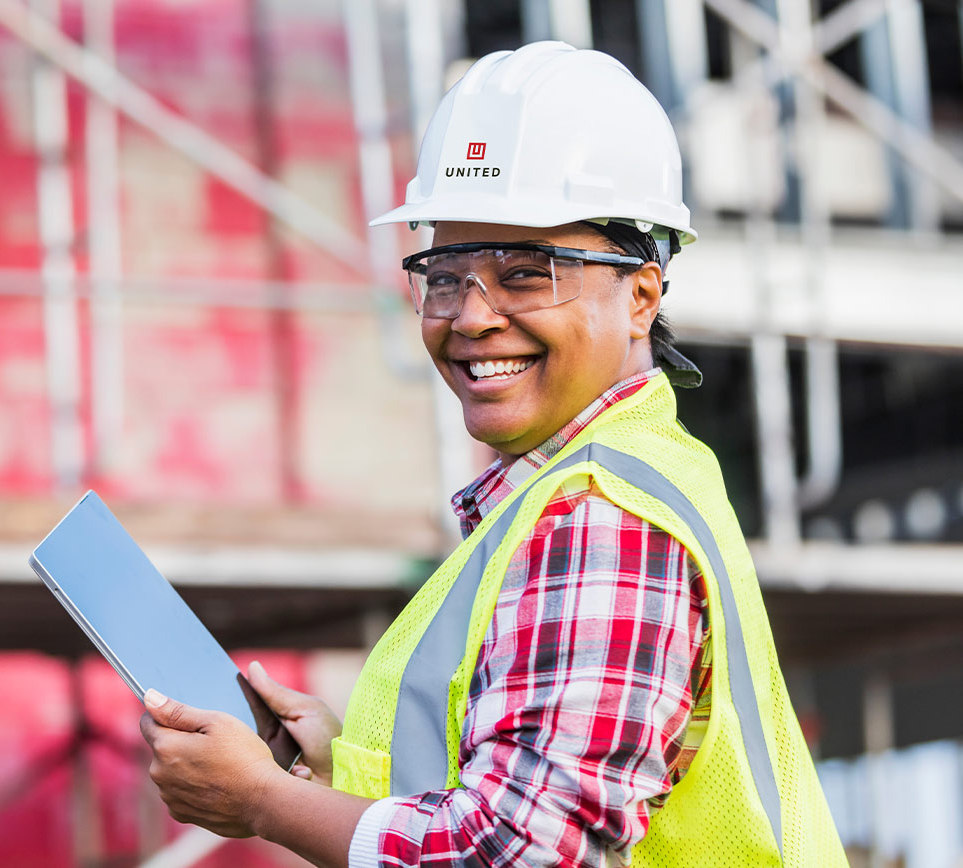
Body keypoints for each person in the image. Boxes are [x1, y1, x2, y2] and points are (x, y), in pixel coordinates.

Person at [140, 42, 848, 867]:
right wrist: (333, 767)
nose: (470, 317)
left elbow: (522, 850)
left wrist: (269, 802)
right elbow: (509, 797)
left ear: (642, 295)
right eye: (443, 274)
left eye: (524, 274)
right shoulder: (581, 488)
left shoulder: (598, 513)